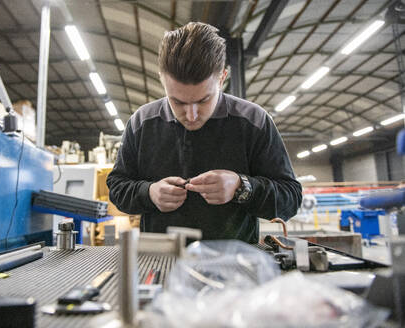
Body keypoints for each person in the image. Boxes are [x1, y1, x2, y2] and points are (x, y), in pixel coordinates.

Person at [106, 22, 302, 243]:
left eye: (203, 100)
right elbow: (117, 187)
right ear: (162, 78)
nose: (191, 115)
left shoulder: (253, 121)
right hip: (160, 261)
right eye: (177, 101)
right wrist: (149, 193)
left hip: (233, 266)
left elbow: (291, 198)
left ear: (222, 77)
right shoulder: (141, 123)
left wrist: (241, 187)